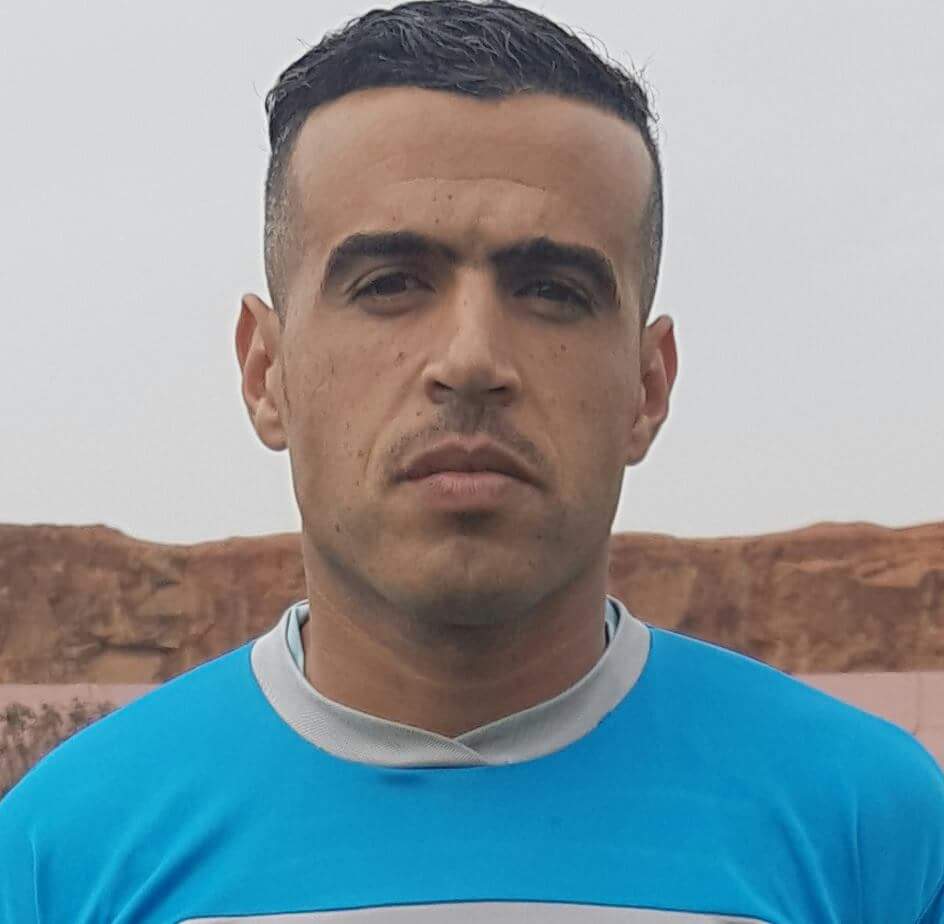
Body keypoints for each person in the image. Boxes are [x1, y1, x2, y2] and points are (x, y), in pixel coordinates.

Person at [2, 0, 942, 920]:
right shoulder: (61, 854)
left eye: (554, 291)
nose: (471, 360)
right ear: (266, 372)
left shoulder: (877, 833)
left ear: (648, 385)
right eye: (389, 283)